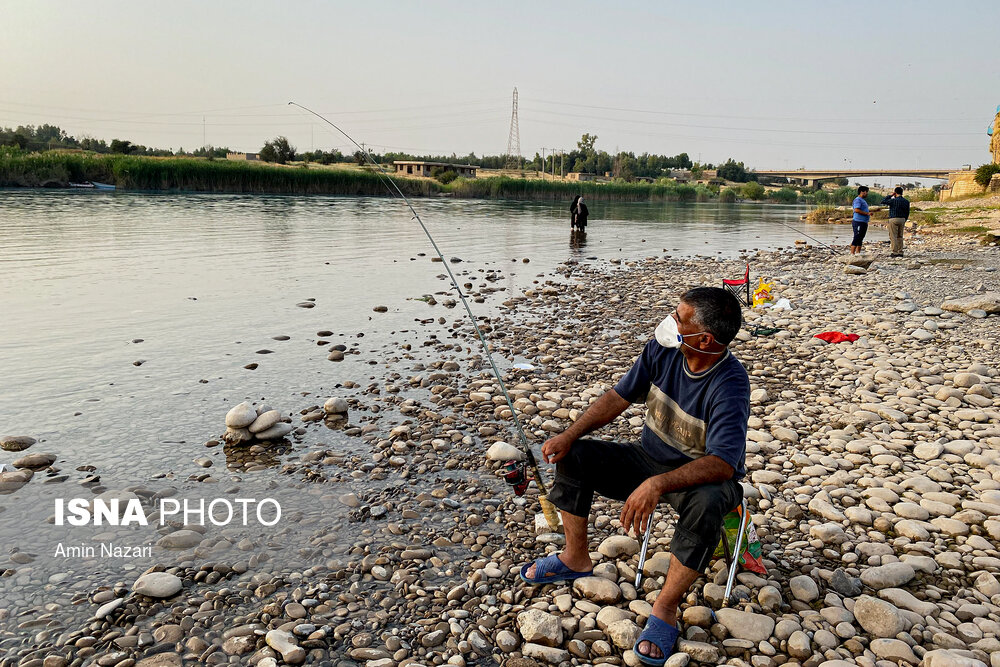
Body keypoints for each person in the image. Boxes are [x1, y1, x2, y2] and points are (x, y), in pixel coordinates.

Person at [519, 287, 749, 666]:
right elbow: (619, 396)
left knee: (709, 503)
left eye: (679, 318)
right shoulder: (665, 348)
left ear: (705, 338)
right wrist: (569, 434)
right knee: (575, 456)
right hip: (648, 458)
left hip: (698, 479)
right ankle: (575, 557)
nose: (670, 322)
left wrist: (657, 484)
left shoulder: (731, 384)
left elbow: (723, 463)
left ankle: (665, 609)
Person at [880, 186, 910, 257]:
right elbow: (907, 212)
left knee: (893, 236)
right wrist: (905, 219)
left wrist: (890, 195)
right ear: (902, 193)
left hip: (893, 218)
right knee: (900, 236)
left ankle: (895, 252)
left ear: (895, 193)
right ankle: (900, 251)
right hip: (902, 219)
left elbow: (883, 201)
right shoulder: (906, 201)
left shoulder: (893, 200)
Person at [850, 185, 870, 255]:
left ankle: (858, 253)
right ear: (862, 192)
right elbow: (856, 210)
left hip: (864, 222)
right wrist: (867, 213)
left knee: (861, 237)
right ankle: (852, 253)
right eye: (866, 192)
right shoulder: (858, 200)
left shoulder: (862, 200)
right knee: (857, 237)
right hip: (858, 221)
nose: (867, 193)